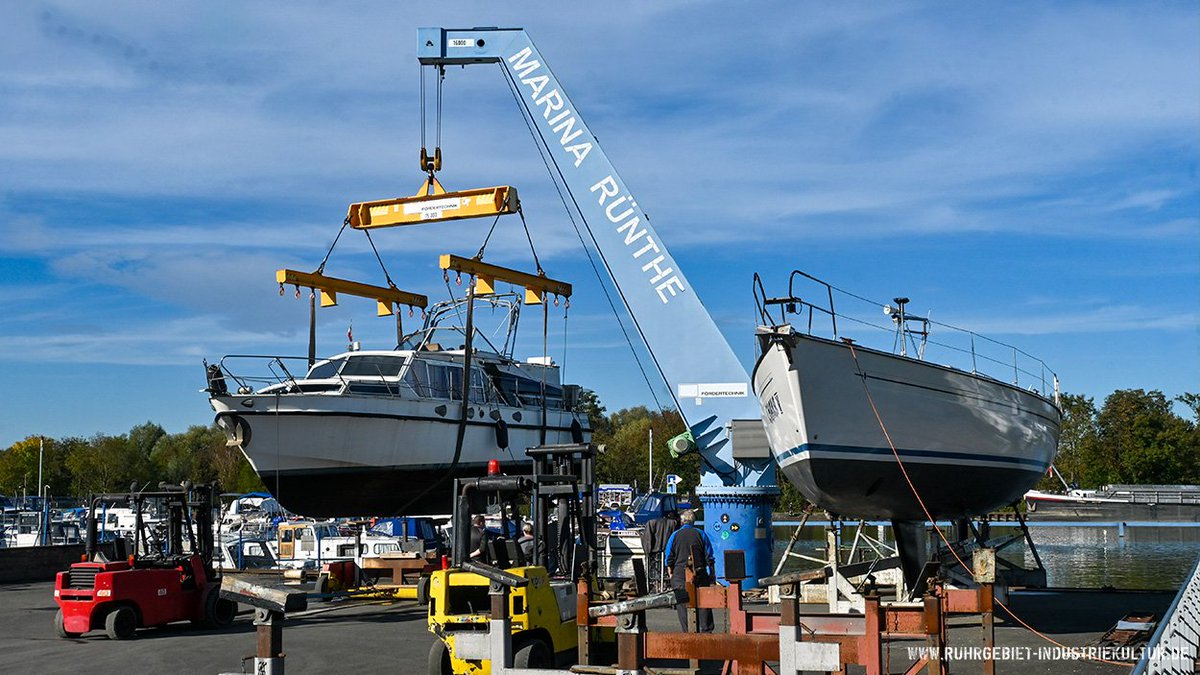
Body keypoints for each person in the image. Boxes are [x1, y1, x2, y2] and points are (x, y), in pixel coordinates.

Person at [664, 509, 714, 632]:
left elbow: (668, 557)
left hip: (679, 575)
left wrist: (671, 572)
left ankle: (688, 632)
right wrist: (712, 574)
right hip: (700, 574)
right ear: (693, 521)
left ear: (681, 522)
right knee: (703, 603)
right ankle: (706, 631)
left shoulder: (674, 535)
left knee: (682, 605)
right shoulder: (701, 534)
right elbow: (709, 556)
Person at [641, 509, 680, 590]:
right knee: (664, 572)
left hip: (655, 553)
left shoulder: (651, 523)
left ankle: (657, 586)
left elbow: (646, 540)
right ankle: (664, 586)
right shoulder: (673, 523)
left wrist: (647, 552)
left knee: (655, 574)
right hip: (665, 554)